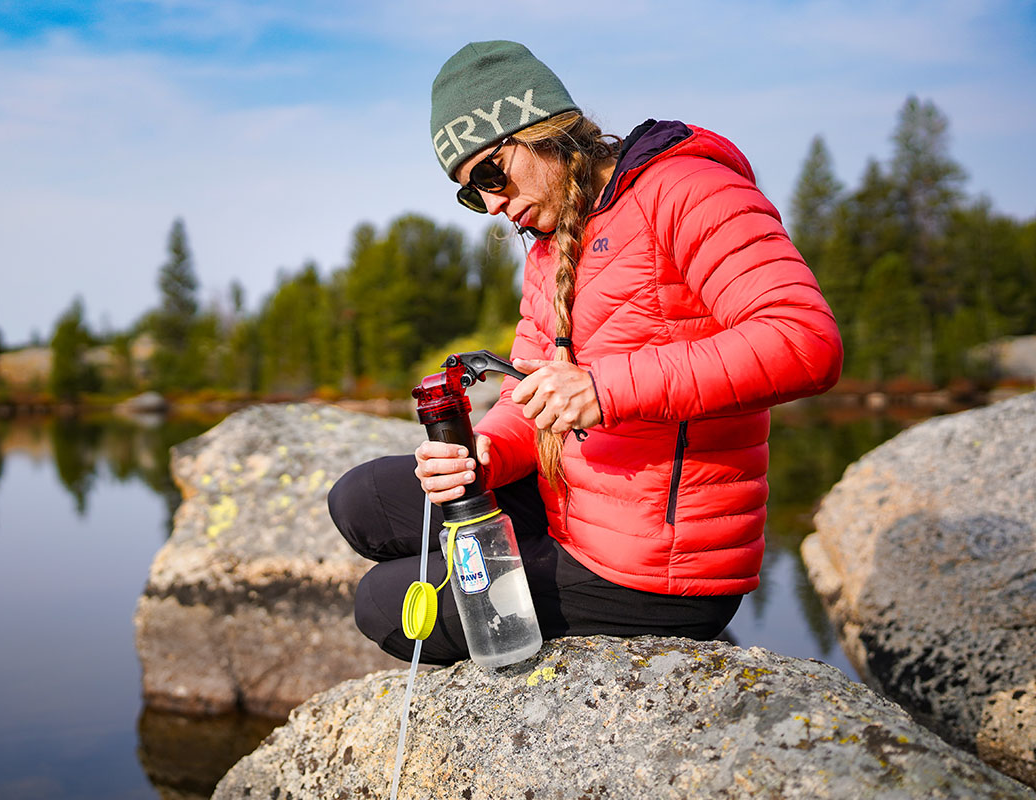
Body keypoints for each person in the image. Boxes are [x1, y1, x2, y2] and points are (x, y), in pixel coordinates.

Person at [328, 40, 843, 665]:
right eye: (470, 194)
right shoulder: (549, 241)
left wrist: (604, 389)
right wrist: (487, 456)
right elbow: (532, 392)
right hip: (565, 509)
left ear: (541, 132)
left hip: (654, 567)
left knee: (387, 602)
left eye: (490, 175)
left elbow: (803, 340)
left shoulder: (688, 190)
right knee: (363, 499)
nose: (490, 204)